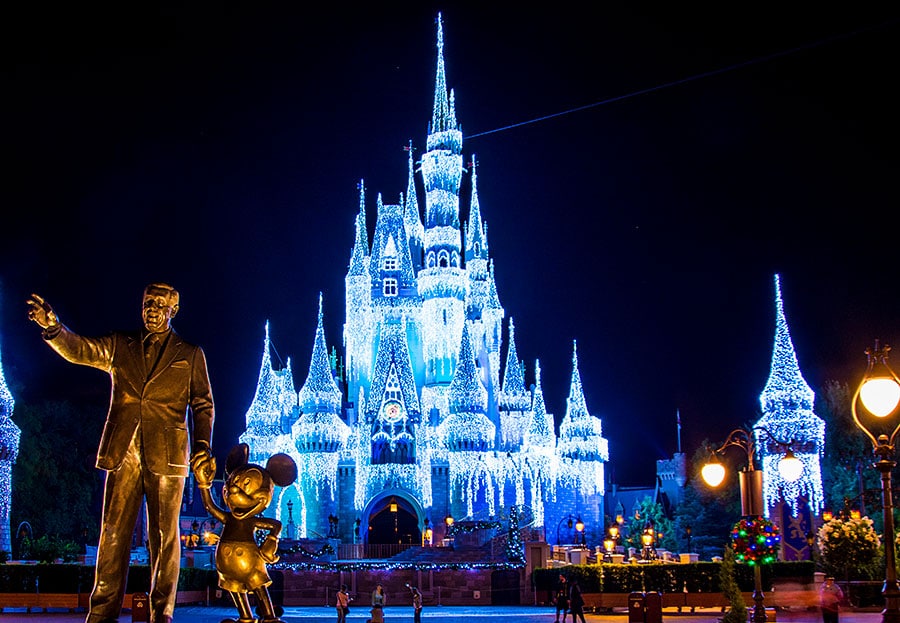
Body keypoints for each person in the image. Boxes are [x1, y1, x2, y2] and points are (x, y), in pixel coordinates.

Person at [27, 284, 214, 623]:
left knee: (164, 538)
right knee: (112, 533)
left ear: (174, 310)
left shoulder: (189, 354)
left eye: (159, 304)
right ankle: (102, 612)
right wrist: (53, 328)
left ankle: (162, 613)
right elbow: (81, 350)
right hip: (122, 451)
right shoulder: (119, 345)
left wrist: (202, 446)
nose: (152, 309)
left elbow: (203, 405)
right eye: (147, 303)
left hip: (168, 454)